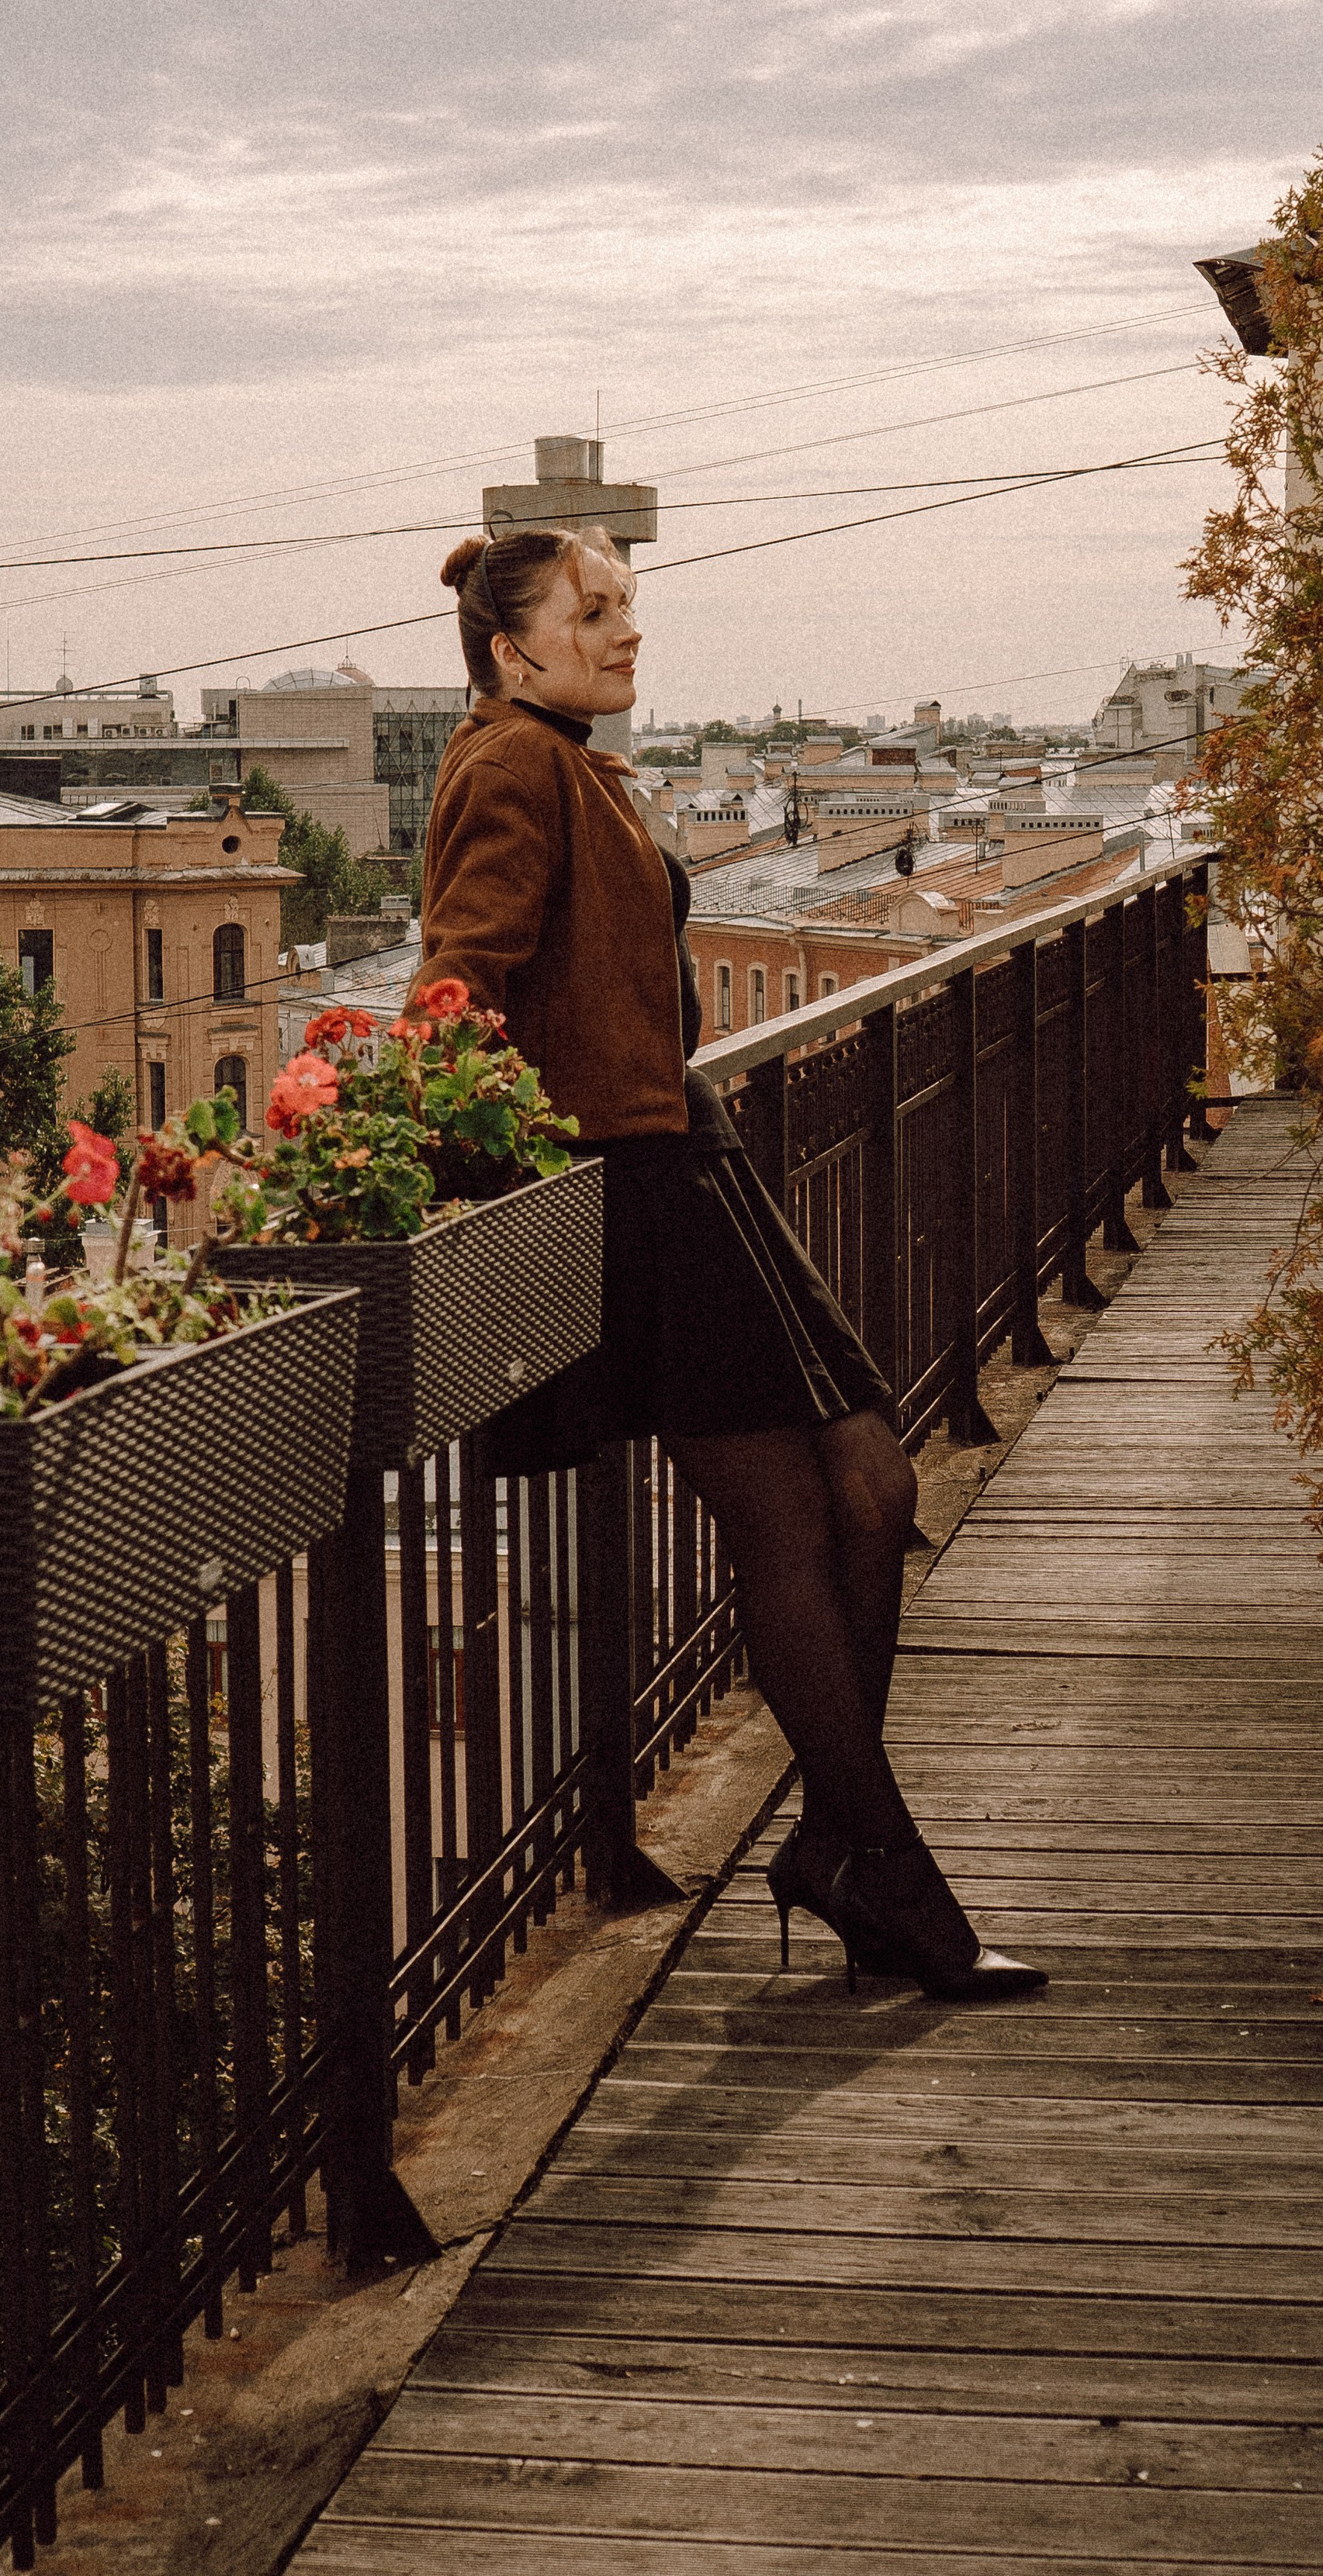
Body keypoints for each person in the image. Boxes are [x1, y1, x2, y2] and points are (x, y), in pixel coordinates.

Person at [417, 523, 1044, 2003]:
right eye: (593, 611)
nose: (626, 630)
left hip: (684, 1161)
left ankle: (841, 1842)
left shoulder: (572, 759)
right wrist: (428, 1149)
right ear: (514, 647)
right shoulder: (512, 764)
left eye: (627, 605)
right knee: (801, 1511)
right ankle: (879, 1865)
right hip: (631, 1183)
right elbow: (457, 978)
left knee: (871, 1487)